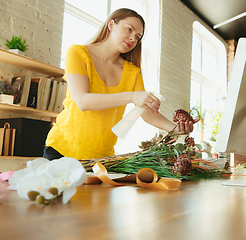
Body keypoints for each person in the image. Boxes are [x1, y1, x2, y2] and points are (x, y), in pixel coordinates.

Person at [43, 8, 198, 161]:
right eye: (129, 29)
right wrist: (132, 96)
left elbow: (145, 112)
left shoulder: (132, 72)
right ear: (111, 25)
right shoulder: (78, 53)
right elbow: (83, 101)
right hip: (61, 150)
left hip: (100, 158)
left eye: (137, 36)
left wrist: (176, 129)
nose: (133, 38)